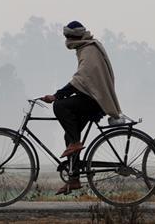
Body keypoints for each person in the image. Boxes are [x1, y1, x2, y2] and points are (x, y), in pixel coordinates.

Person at [40, 20, 124, 195]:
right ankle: (74, 179)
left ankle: (76, 144)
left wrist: (57, 95)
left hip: (94, 101)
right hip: (91, 98)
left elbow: (82, 79)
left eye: (67, 36)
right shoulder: (86, 47)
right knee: (69, 135)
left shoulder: (89, 50)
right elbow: (84, 81)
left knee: (60, 106)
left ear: (73, 36)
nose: (66, 40)